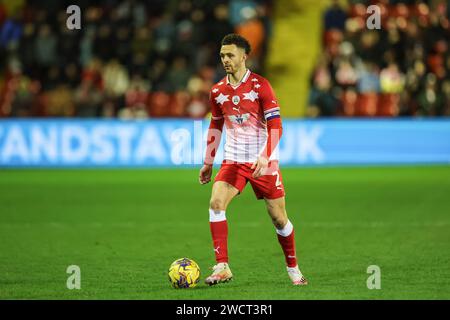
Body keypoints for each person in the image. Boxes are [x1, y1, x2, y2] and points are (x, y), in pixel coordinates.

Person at [198, 34, 308, 286]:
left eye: (230, 55)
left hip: (263, 162)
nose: (225, 59)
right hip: (233, 160)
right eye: (222, 55)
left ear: (244, 56)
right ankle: (222, 265)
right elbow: (215, 125)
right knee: (216, 202)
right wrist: (208, 161)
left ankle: (293, 268)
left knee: (279, 218)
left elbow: (276, 126)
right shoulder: (217, 91)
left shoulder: (261, 86)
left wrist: (265, 155)